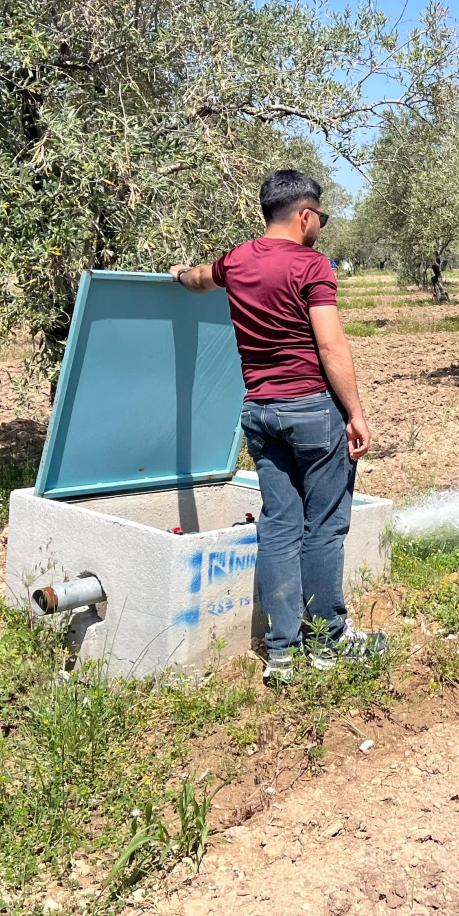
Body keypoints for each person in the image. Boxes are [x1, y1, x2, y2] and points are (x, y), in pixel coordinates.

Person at [171, 169, 384, 682]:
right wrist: (355, 412)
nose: (320, 228)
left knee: (280, 525)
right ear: (305, 215)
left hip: (260, 414)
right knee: (325, 527)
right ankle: (328, 641)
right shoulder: (312, 266)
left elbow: (200, 278)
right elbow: (331, 345)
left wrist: (178, 273)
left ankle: (282, 650)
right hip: (312, 410)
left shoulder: (237, 260)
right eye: (322, 218)